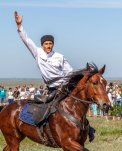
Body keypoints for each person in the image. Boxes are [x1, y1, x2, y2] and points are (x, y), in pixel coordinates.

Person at [14, 11, 95, 142]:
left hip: (64, 86)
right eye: (46, 43)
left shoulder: (60, 56)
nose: (48, 45)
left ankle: (88, 128)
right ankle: (44, 130)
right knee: (47, 108)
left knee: (77, 106)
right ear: (42, 45)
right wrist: (19, 26)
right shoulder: (37, 53)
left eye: (50, 43)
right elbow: (26, 41)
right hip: (52, 88)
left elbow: (69, 72)